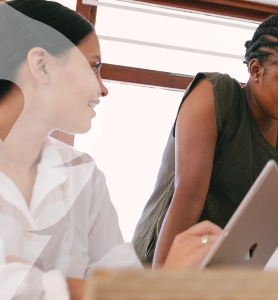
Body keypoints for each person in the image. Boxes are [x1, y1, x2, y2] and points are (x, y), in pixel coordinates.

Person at [0, 1, 221, 299]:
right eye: (93, 68)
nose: (102, 88)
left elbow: (123, 285)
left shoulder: (82, 175)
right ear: (41, 66)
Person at [132, 15, 278, 268]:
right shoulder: (214, 93)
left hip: (221, 270)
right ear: (256, 70)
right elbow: (189, 196)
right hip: (162, 262)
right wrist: (163, 287)